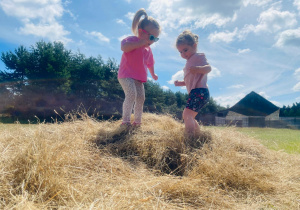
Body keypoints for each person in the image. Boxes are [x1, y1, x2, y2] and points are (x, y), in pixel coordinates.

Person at [118, 8, 160, 128]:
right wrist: (139, 43)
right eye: (152, 38)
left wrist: (153, 74)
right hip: (126, 75)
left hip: (139, 78)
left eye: (156, 39)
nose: (153, 42)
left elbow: (150, 63)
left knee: (141, 98)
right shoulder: (131, 40)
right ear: (141, 32)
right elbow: (124, 48)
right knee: (131, 94)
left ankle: (137, 122)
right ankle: (125, 122)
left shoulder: (148, 49)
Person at [174, 30, 211, 137]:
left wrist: (199, 69)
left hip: (200, 91)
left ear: (194, 46)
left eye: (185, 50)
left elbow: (208, 68)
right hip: (197, 92)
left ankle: (189, 137)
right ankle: (198, 136)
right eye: (180, 52)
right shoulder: (189, 62)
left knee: (186, 114)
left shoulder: (198, 56)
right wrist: (180, 83)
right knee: (189, 116)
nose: (183, 54)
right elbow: (189, 81)